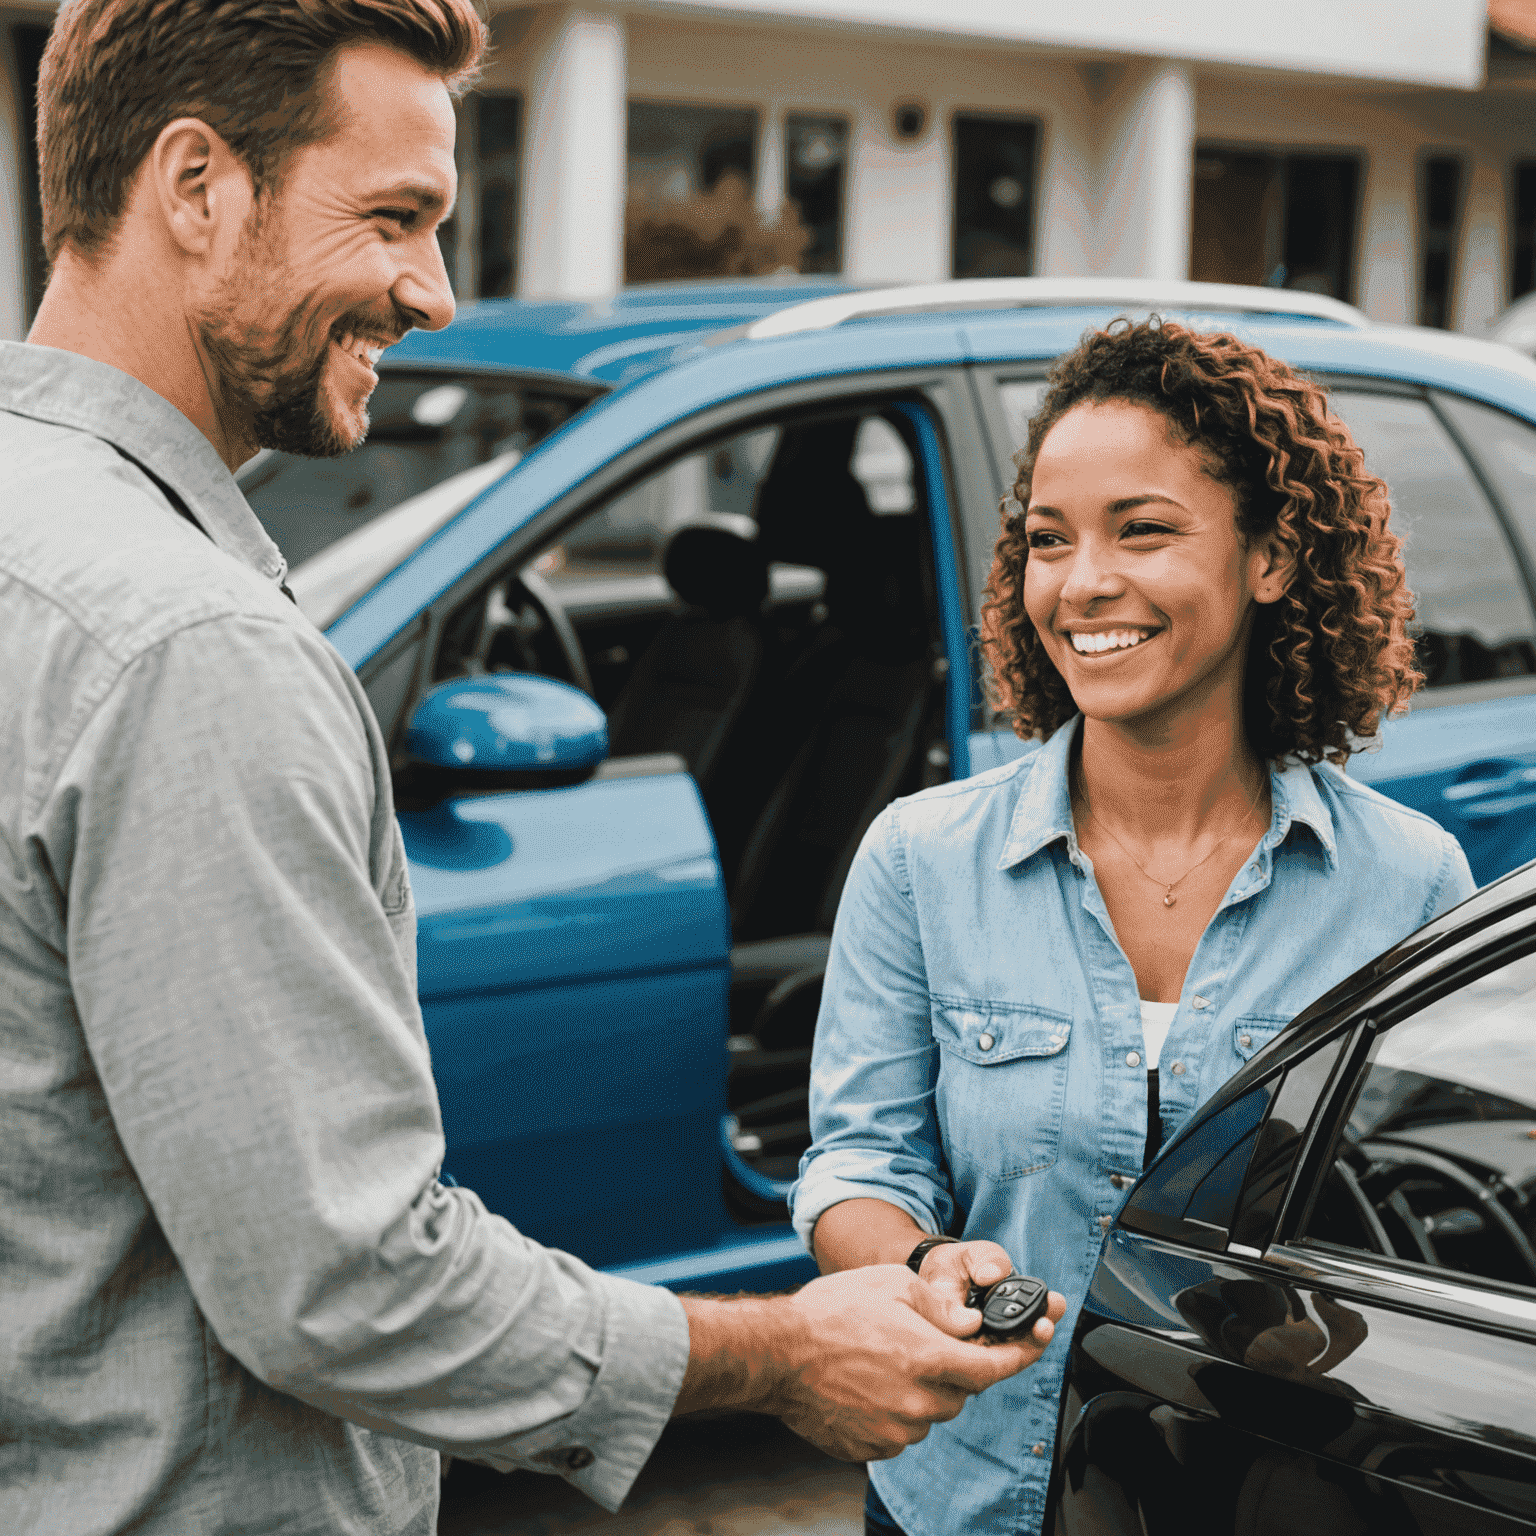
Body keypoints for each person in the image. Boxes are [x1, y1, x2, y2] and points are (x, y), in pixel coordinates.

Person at [0, 3, 1060, 1533]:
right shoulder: (190, 652)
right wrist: (773, 1354)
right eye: (396, 218)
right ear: (194, 186)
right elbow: (342, 1282)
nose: (431, 289)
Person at [791, 319, 1477, 1536]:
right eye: (1048, 541)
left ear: (1269, 557)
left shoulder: (1408, 884)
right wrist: (914, 1266)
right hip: (965, 1491)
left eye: (1142, 529)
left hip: (1259, 1494)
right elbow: (858, 1162)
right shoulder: (920, 857)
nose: (1080, 582)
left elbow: (1426, 1227)